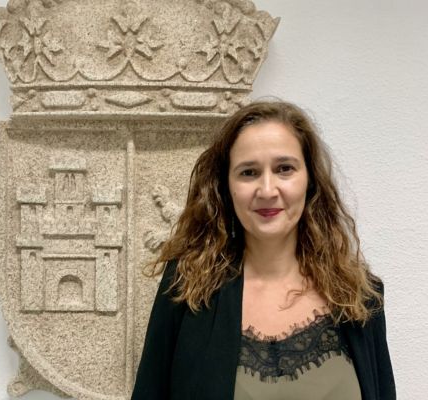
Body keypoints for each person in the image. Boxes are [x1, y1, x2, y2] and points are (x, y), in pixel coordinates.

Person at [131, 101, 395, 400]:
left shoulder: (359, 297)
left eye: (284, 169)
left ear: (310, 180)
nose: (267, 190)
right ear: (225, 187)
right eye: (248, 172)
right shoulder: (186, 289)